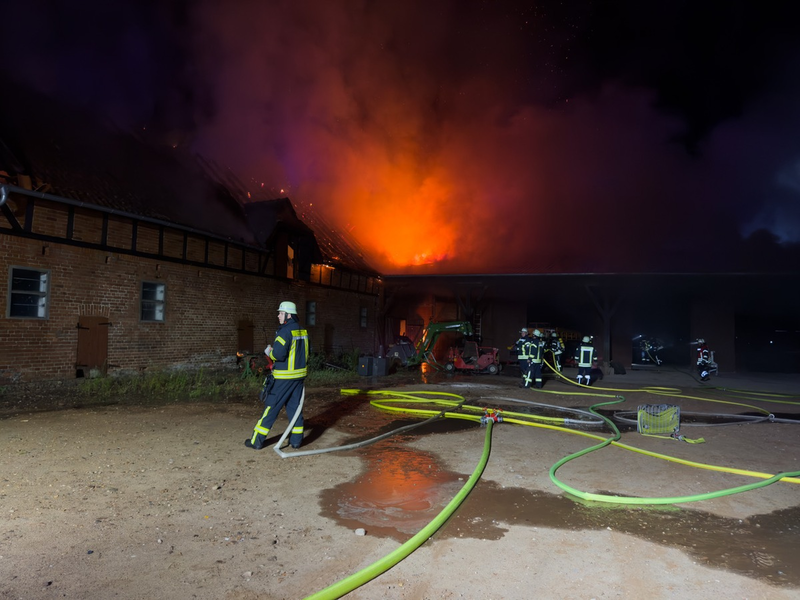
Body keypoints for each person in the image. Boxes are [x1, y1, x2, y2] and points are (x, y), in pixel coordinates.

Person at [246, 301, 310, 450]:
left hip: (283, 378)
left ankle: (256, 441)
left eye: (281, 313)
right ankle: (296, 441)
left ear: (288, 315)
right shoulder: (303, 331)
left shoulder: (285, 331)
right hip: (299, 378)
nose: (278, 316)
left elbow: (279, 355)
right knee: (295, 409)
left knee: (271, 407)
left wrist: (270, 352)